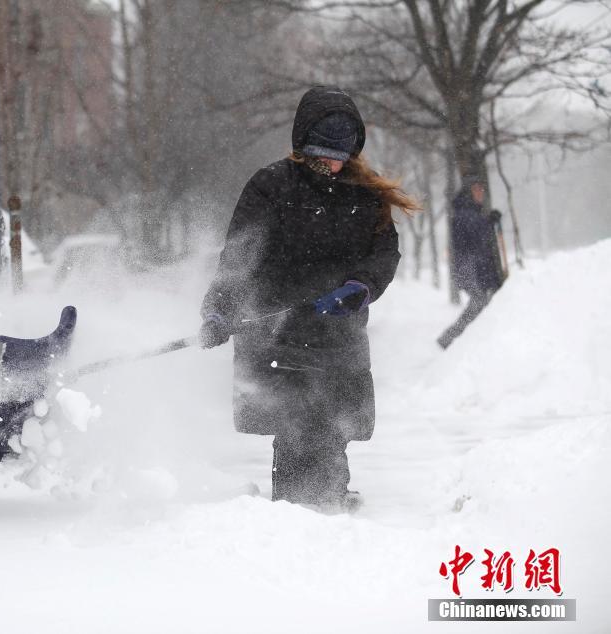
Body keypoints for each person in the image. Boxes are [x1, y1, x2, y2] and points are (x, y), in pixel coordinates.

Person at [198, 85, 419, 513]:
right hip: (277, 335)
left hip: (339, 334)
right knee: (297, 422)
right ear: (303, 146)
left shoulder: (365, 195)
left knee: (333, 424)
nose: (331, 164)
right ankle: (302, 512)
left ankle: (327, 504)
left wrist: (361, 287)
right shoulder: (270, 187)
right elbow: (239, 257)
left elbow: (383, 253)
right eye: (321, 154)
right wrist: (219, 310)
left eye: (339, 155)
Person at [436, 176, 505, 350]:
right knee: (480, 302)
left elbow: (477, 236)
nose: (481, 193)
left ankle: (456, 339)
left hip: (471, 268)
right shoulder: (463, 212)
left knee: (481, 302)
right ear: (468, 193)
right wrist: (489, 221)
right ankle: (453, 339)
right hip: (466, 269)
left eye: (482, 189)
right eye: (477, 189)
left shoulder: (470, 212)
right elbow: (474, 233)